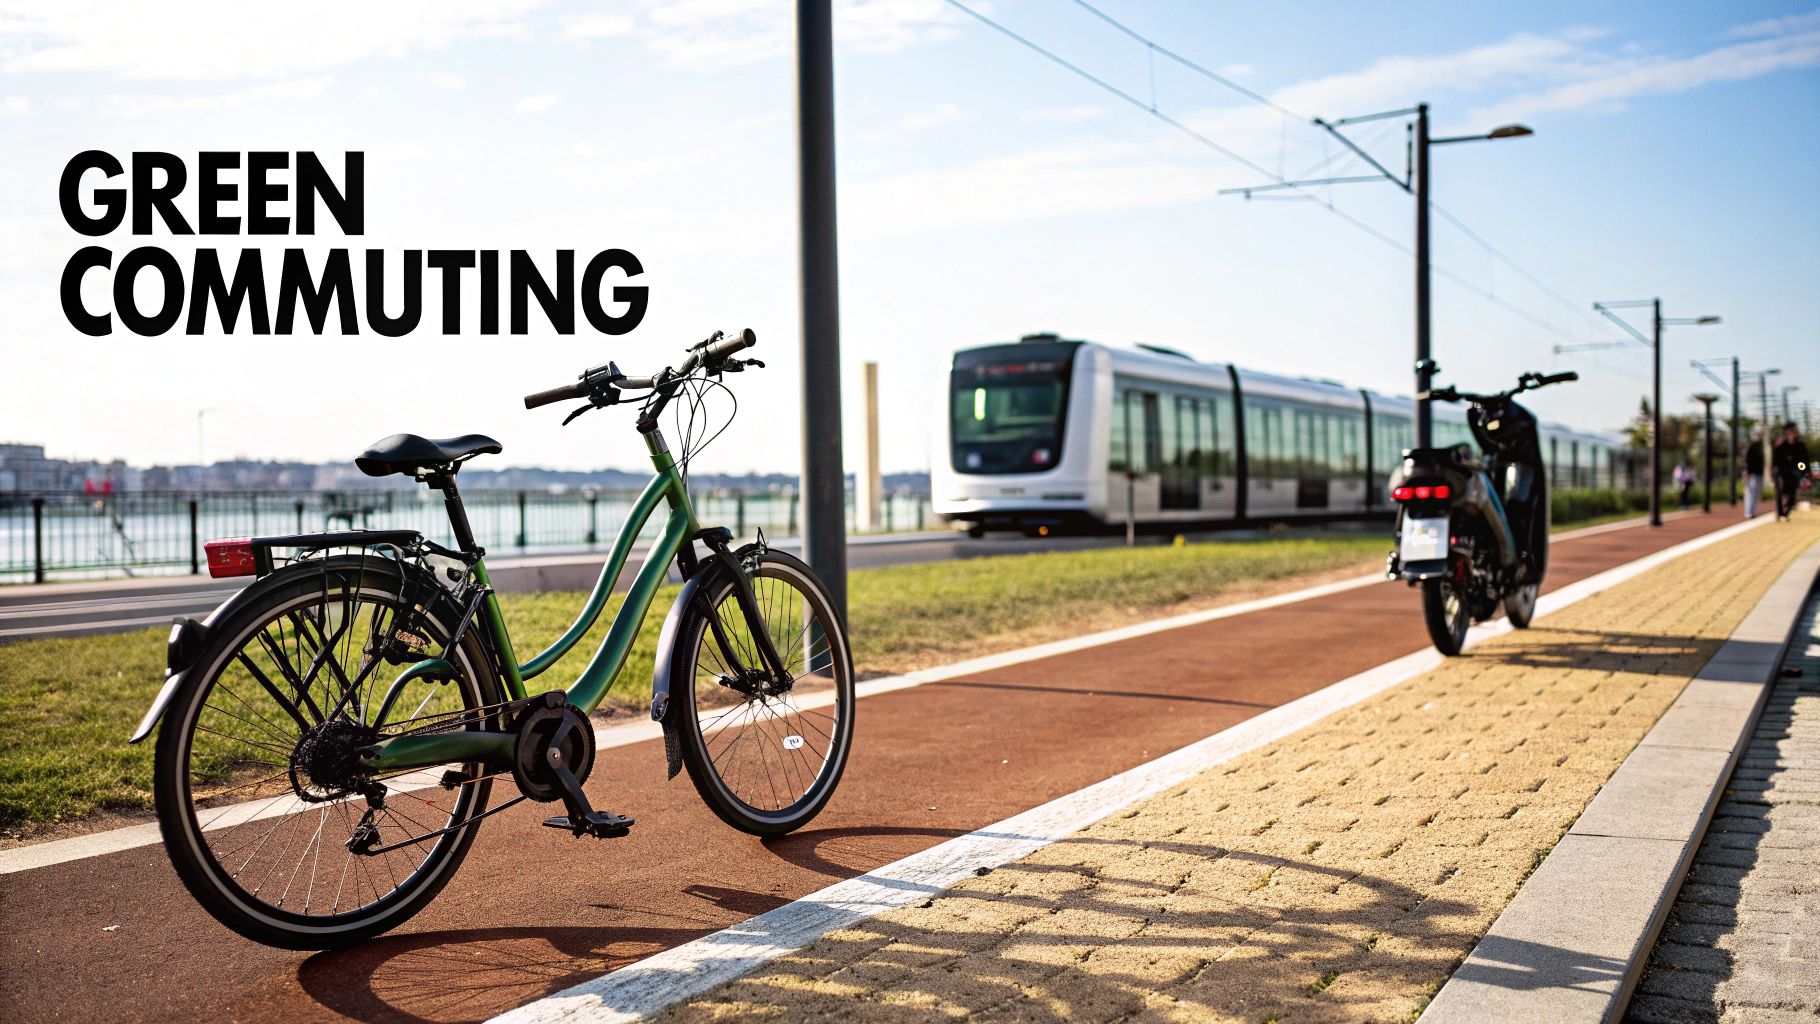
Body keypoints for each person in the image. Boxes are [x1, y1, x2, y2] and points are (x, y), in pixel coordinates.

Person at [1771, 422, 1811, 520]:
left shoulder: (1800, 445)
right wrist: (1774, 468)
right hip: (1783, 473)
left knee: (1792, 493)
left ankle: (1786, 510)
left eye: (1793, 432)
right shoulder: (1782, 446)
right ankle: (1780, 513)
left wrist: (1806, 470)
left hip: (1795, 472)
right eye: (1789, 433)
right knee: (1781, 493)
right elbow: (1776, 458)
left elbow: (1805, 459)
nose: (1791, 435)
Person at [1744, 432, 1765, 518]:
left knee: (1756, 493)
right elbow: (1747, 461)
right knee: (1751, 492)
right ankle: (1749, 512)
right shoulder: (1752, 447)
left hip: (1758, 473)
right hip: (1752, 474)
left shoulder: (1760, 447)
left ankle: (1753, 511)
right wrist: (1747, 473)